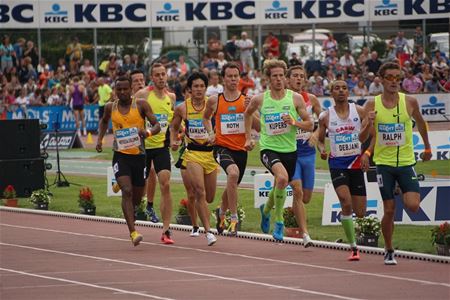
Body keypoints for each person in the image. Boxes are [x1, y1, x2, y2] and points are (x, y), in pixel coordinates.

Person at [362, 62, 432, 265]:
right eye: (390, 77)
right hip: (384, 164)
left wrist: (427, 147)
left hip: (406, 162)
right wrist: (369, 121)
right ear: (381, 80)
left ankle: (400, 188)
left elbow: (420, 122)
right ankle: (389, 248)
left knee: (413, 206)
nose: (394, 81)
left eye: (397, 77)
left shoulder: (409, 101)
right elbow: (363, 137)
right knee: (389, 210)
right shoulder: (371, 104)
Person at [244, 59, 313, 241]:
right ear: (268, 78)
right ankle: (279, 221)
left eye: (281, 76)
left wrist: (294, 122)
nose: (279, 79)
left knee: (280, 184)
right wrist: (248, 138)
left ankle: (266, 210)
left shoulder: (295, 99)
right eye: (275, 76)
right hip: (268, 148)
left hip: (290, 150)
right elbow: (247, 114)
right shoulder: (260, 99)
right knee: (282, 178)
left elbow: (310, 125)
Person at [96, 76, 161, 246]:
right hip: (120, 155)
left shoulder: (141, 105)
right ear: (115, 90)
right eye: (119, 89)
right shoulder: (111, 107)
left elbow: (157, 125)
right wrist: (99, 140)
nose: (123, 92)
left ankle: (119, 185)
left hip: (139, 157)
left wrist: (147, 132)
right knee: (127, 190)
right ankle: (133, 232)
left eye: (125, 89)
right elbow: (103, 122)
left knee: (137, 200)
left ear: (131, 90)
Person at [317, 80, 373, 261]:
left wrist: (366, 153)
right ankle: (354, 247)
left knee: (361, 212)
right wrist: (322, 150)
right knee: (345, 201)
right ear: (331, 93)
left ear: (348, 92)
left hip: (356, 164)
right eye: (337, 88)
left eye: (344, 88)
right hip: (337, 165)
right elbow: (319, 140)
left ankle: (347, 219)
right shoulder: (326, 116)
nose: (341, 91)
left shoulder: (359, 111)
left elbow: (370, 135)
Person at [203, 62, 257, 236]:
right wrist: (211, 133)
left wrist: (251, 110)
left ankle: (220, 211)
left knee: (232, 184)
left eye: (236, 76)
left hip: (241, 150)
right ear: (223, 79)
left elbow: (259, 126)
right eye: (230, 76)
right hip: (221, 147)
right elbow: (205, 118)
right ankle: (233, 218)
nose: (233, 79)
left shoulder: (246, 100)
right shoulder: (215, 100)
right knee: (232, 174)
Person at [170, 72, 218, 246]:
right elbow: (174, 127)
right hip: (192, 153)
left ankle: (213, 216)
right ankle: (208, 231)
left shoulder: (213, 104)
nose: (199, 89)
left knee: (210, 197)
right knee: (199, 191)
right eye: (195, 86)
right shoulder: (182, 108)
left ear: (206, 88)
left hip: (211, 155)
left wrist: (216, 135)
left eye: (202, 86)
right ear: (189, 89)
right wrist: (174, 141)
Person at [135, 63, 176, 244]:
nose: (161, 77)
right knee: (137, 190)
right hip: (143, 148)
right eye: (157, 75)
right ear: (152, 77)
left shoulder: (171, 97)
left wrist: (175, 137)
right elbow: (128, 112)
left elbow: (172, 121)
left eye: (163, 74)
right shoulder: (143, 95)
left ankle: (166, 230)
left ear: (167, 76)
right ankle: (133, 224)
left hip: (161, 148)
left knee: (165, 184)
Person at [286, 66, 322, 247]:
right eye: (295, 76)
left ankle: (274, 203)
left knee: (306, 197)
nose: (298, 79)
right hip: (290, 152)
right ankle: (305, 234)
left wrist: (316, 135)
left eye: (301, 76)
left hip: (308, 153)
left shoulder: (312, 99)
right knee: (297, 190)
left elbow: (323, 122)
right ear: (288, 79)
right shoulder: (282, 99)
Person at [129, 70, 159, 223]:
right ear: (130, 84)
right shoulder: (126, 102)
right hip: (133, 144)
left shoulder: (150, 97)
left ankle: (149, 205)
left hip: (152, 141)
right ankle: (136, 205)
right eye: (136, 81)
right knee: (138, 176)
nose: (140, 83)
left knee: (152, 171)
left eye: (142, 80)